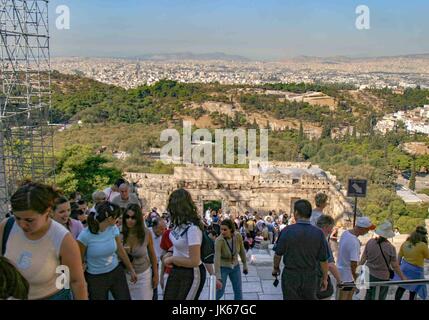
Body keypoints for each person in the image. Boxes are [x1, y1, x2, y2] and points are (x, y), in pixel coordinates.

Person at [0, 181, 87, 300]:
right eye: (17, 218)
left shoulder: (63, 239)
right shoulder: (6, 226)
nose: (21, 225)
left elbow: (76, 281)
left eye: (29, 220)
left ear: (47, 212)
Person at [77, 201, 137, 300]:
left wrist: (131, 269)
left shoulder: (113, 228)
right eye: (116, 217)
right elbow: (79, 259)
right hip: (96, 277)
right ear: (109, 219)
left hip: (115, 271)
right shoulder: (85, 236)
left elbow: (120, 250)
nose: (118, 220)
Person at [273, 199, 329, 300]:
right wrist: (325, 278)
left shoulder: (287, 231)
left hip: (291, 275)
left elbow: (278, 255)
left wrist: (276, 268)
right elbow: (323, 260)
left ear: (296, 213)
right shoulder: (319, 233)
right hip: (310, 276)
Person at [162, 189, 206, 300]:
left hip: (191, 272)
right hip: (177, 269)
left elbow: (194, 260)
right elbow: (179, 245)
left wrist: (171, 259)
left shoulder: (193, 229)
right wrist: (170, 252)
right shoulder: (178, 224)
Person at [360, 221, 407, 300]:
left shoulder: (370, 242)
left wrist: (356, 271)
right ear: (388, 235)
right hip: (382, 277)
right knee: (380, 297)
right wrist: (403, 277)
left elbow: (363, 259)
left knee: (369, 295)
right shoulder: (390, 247)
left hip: (368, 275)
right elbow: (395, 266)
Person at [122, 204, 159, 300]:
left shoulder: (146, 233)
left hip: (143, 275)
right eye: (127, 217)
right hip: (124, 275)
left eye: (133, 217)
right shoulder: (119, 233)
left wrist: (156, 274)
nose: (129, 220)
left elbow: (152, 254)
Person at [337, 216, 375, 300]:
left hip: (341, 271)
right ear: (362, 228)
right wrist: (357, 279)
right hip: (348, 276)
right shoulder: (354, 242)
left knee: (344, 296)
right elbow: (353, 264)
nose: (368, 231)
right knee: (346, 296)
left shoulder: (345, 233)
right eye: (367, 229)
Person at [214, 219, 248, 300]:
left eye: (225, 229)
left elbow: (242, 251)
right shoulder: (219, 240)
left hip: (235, 266)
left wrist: (245, 264)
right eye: (221, 229)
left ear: (231, 229)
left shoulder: (238, 236)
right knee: (219, 291)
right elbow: (217, 258)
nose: (222, 232)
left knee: (238, 291)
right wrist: (218, 276)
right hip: (223, 267)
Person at [394, 226, 429, 300]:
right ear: (423, 235)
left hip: (404, 269)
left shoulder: (405, 243)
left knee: (401, 288)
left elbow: (399, 259)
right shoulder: (422, 245)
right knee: (413, 291)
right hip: (416, 271)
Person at [315, 215, 342, 300]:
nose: (331, 231)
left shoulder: (307, 236)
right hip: (318, 280)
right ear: (326, 226)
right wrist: (339, 280)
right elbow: (330, 265)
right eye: (331, 228)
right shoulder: (323, 240)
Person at [149, 217, 167, 300]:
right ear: (154, 227)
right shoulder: (147, 233)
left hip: (156, 264)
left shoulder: (164, 236)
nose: (163, 231)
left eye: (164, 229)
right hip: (146, 264)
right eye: (161, 229)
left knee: (154, 286)